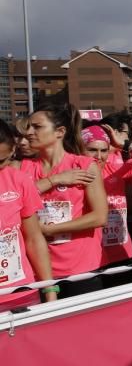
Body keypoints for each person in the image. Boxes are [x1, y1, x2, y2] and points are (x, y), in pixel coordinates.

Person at [20, 106, 108, 298]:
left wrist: (50, 230)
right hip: (40, 270)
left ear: (59, 132)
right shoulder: (23, 168)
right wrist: (55, 179)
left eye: (37, 127)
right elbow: (16, 198)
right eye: (28, 127)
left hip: (80, 269)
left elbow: (100, 217)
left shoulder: (84, 165)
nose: (29, 132)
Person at [0, 120, 57, 311]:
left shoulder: (18, 179)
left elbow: (33, 238)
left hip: (21, 292)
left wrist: (50, 290)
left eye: (2, 160)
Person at [81, 125, 132, 270]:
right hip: (91, 255)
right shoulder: (73, 174)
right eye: (92, 150)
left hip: (121, 252)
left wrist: (123, 144)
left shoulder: (116, 168)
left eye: (104, 150)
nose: (99, 156)